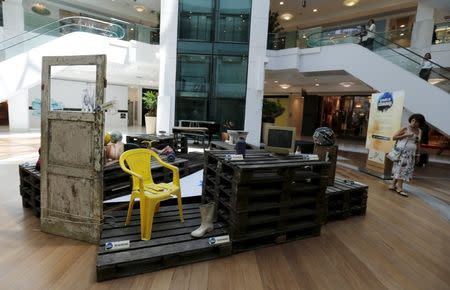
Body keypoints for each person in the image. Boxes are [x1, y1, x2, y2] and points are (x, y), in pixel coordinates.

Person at [389, 114, 425, 197]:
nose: (414, 123)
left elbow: (418, 143)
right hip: (402, 152)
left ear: (420, 123)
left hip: (411, 154)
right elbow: (394, 137)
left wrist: (418, 155)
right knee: (402, 169)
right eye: (413, 120)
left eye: (417, 121)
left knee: (402, 169)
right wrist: (406, 135)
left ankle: (392, 184)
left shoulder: (419, 131)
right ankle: (399, 187)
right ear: (411, 120)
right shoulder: (405, 128)